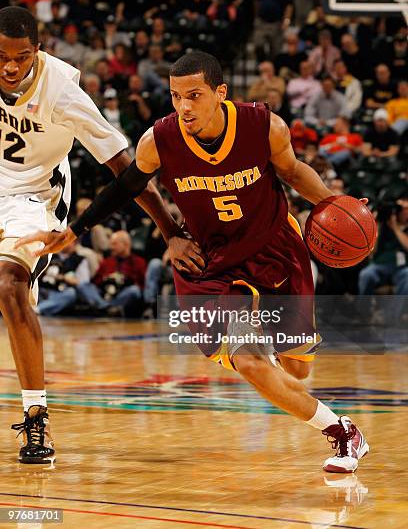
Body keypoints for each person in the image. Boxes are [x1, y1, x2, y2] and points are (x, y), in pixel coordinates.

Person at [20, 51, 370, 473]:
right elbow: (127, 185)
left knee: (295, 368)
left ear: (220, 93)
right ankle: (343, 432)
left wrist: (338, 203)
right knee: (249, 360)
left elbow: (294, 174)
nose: (184, 106)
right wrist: (76, 231)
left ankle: (275, 358)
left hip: (275, 248)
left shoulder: (265, 127)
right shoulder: (159, 140)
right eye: (175, 96)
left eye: (194, 95)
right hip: (210, 259)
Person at [0, 7, 198, 465]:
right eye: (2, 56)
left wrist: (169, 230)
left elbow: (126, 171)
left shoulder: (64, 93)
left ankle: (35, 418)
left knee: (9, 287)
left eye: (21, 57)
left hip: (34, 194)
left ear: (38, 51)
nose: (10, 66)